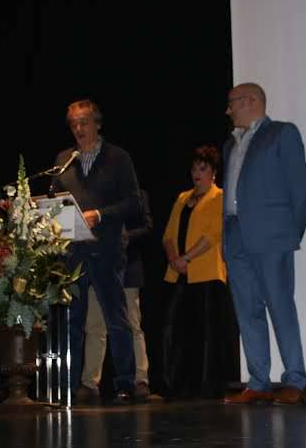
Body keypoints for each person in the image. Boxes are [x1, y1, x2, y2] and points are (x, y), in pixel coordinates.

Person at [221, 82, 306, 406]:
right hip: (235, 234)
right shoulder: (230, 145)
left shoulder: (281, 133)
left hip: (272, 237)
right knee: (247, 311)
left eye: (232, 103)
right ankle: (258, 382)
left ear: (250, 101)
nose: (228, 110)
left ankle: (294, 380)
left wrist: (290, 233)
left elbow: (301, 188)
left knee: (280, 306)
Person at [51, 98, 142, 405]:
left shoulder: (118, 157)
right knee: (72, 323)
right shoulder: (64, 160)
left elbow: (134, 203)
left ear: (97, 124)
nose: (78, 129)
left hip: (106, 250)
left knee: (116, 320)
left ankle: (125, 384)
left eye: (84, 122)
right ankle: (69, 387)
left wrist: (100, 215)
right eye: (73, 124)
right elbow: (56, 201)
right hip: (73, 253)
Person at [161, 146, 238, 399]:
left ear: (213, 172)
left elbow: (213, 234)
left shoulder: (219, 197)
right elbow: (168, 234)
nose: (197, 173)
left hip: (207, 275)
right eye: (194, 168)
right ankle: (177, 386)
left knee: (206, 335)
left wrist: (186, 258)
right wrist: (174, 258)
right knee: (176, 331)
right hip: (179, 274)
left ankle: (206, 388)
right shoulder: (183, 198)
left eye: (203, 169)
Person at [78, 190, 153, 403]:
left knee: (132, 325)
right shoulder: (96, 192)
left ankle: (140, 380)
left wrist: (123, 237)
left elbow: (148, 227)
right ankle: (89, 383)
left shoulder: (136, 195)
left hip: (128, 270)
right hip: (98, 267)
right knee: (95, 327)